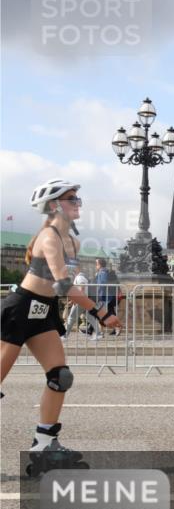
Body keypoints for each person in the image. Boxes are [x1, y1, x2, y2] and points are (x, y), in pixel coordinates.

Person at [0, 179, 122, 475]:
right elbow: (64, 285)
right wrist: (101, 311)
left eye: (78, 199)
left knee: (60, 377)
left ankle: (44, 444)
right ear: (55, 205)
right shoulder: (49, 237)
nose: (78, 203)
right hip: (20, 309)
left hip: (43, 312)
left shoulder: (74, 242)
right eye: (72, 199)